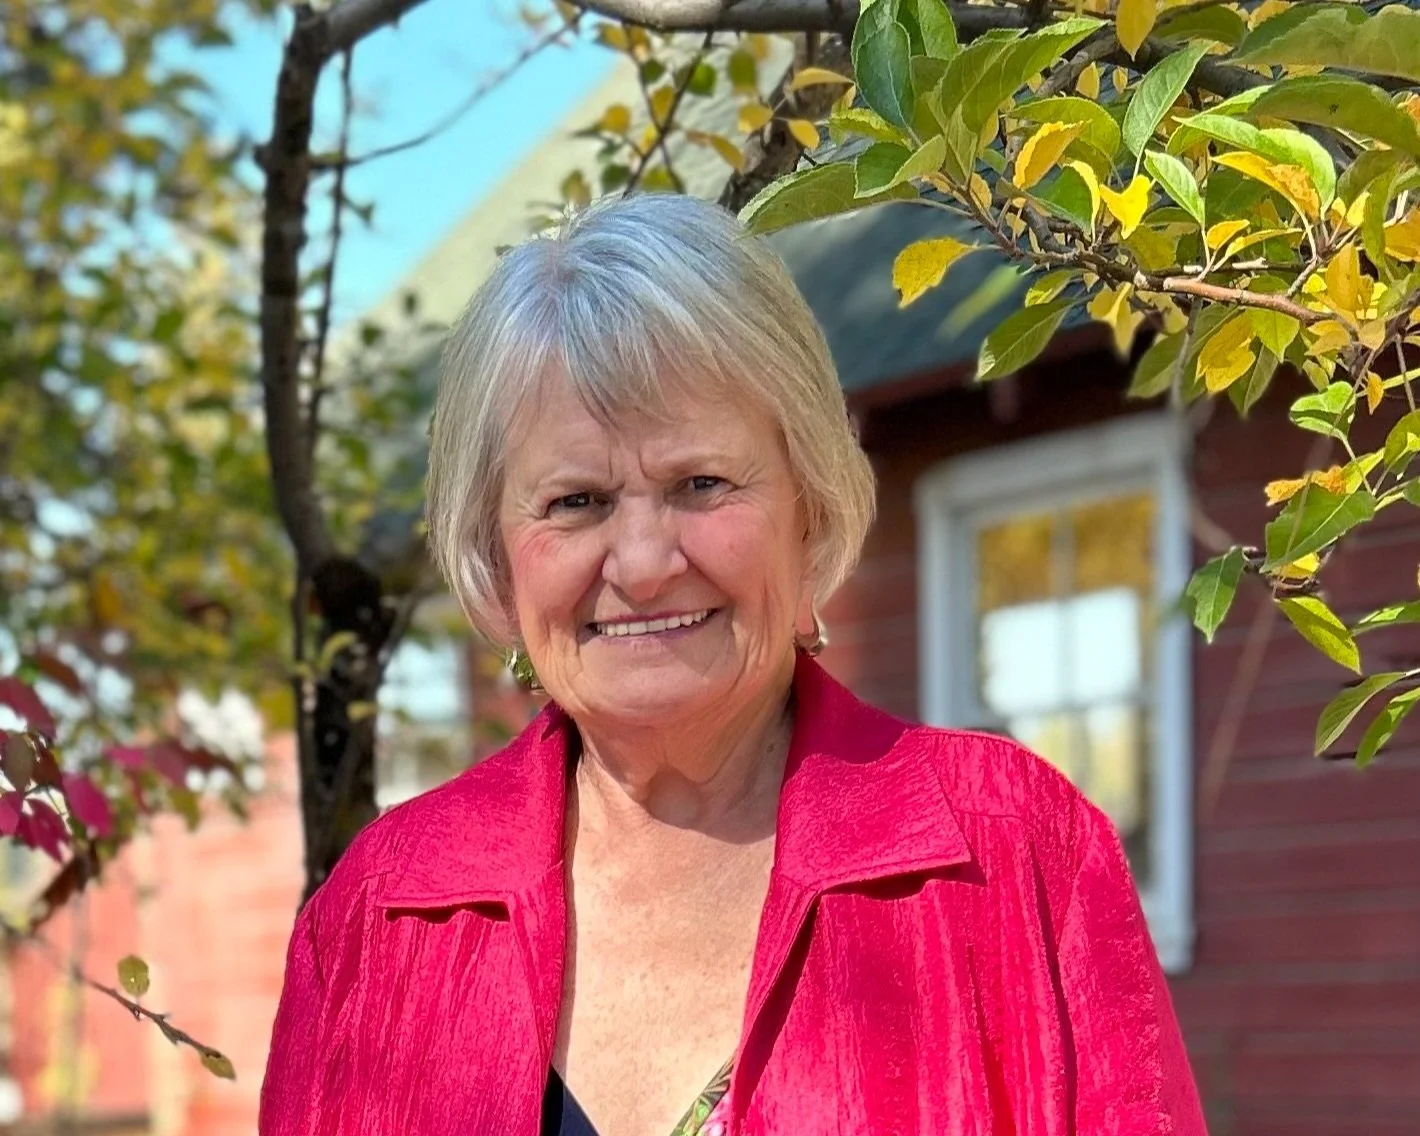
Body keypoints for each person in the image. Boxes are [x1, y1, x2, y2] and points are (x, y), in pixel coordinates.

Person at [259, 192, 1206, 1136]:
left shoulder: (1019, 855)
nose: (642, 562)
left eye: (700, 484)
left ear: (810, 506)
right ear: (496, 554)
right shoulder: (380, 916)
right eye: (576, 501)